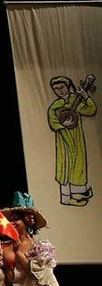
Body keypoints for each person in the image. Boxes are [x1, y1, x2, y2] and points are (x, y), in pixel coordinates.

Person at [47, 76, 96, 206]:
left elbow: (91, 110)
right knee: (66, 165)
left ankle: (78, 193)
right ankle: (66, 197)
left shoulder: (75, 100)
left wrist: (85, 96)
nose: (60, 91)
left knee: (79, 164)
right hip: (64, 140)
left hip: (77, 139)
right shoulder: (55, 107)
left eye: (62, 87)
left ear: (67, 86)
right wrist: (63, 125)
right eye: (56, 89)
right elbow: (53, 122)